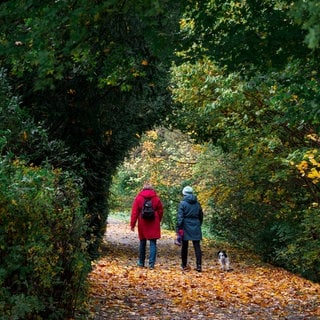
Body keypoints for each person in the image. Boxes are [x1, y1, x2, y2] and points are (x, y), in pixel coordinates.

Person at [130, 183, 164, 269]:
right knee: (153, 243)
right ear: (152, 189)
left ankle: (141, 262)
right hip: (154, 221)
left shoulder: (138, 198)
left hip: (142, 221)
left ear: (143, 188)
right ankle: (151, 264)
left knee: (142, 242)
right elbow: (160, 211)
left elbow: (134, 212)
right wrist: (158, 220)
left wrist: (132, 224)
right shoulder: (156, 198)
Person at [176, 186, 203, 272]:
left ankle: (184, 265)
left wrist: (179, 228)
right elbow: (201, 215)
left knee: (185, 246)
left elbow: (180, 217)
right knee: (197, 246)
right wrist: (199, 224)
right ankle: (199, 265)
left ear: (184, 194)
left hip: (185, 225)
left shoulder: (182, 204)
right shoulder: (197, 203)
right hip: (196, 224)